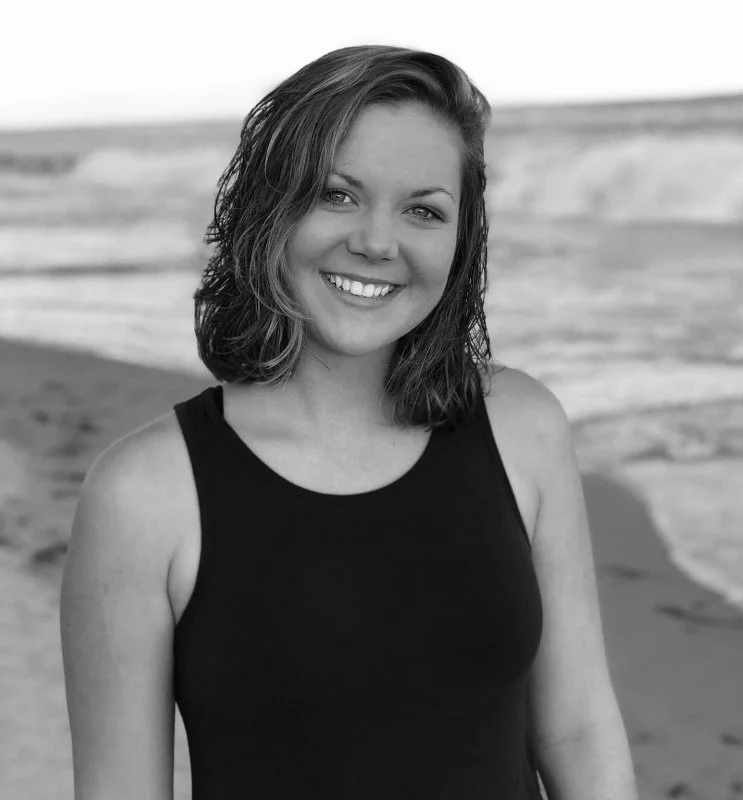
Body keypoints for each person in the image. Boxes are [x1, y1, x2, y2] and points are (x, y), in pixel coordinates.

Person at [59, 45, 638, 799]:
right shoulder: (144, 494)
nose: (376, 241)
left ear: (462, 242)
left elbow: (578, 730)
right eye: (336, 195)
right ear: (271, 206)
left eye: (424, 210)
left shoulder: (521, 426)